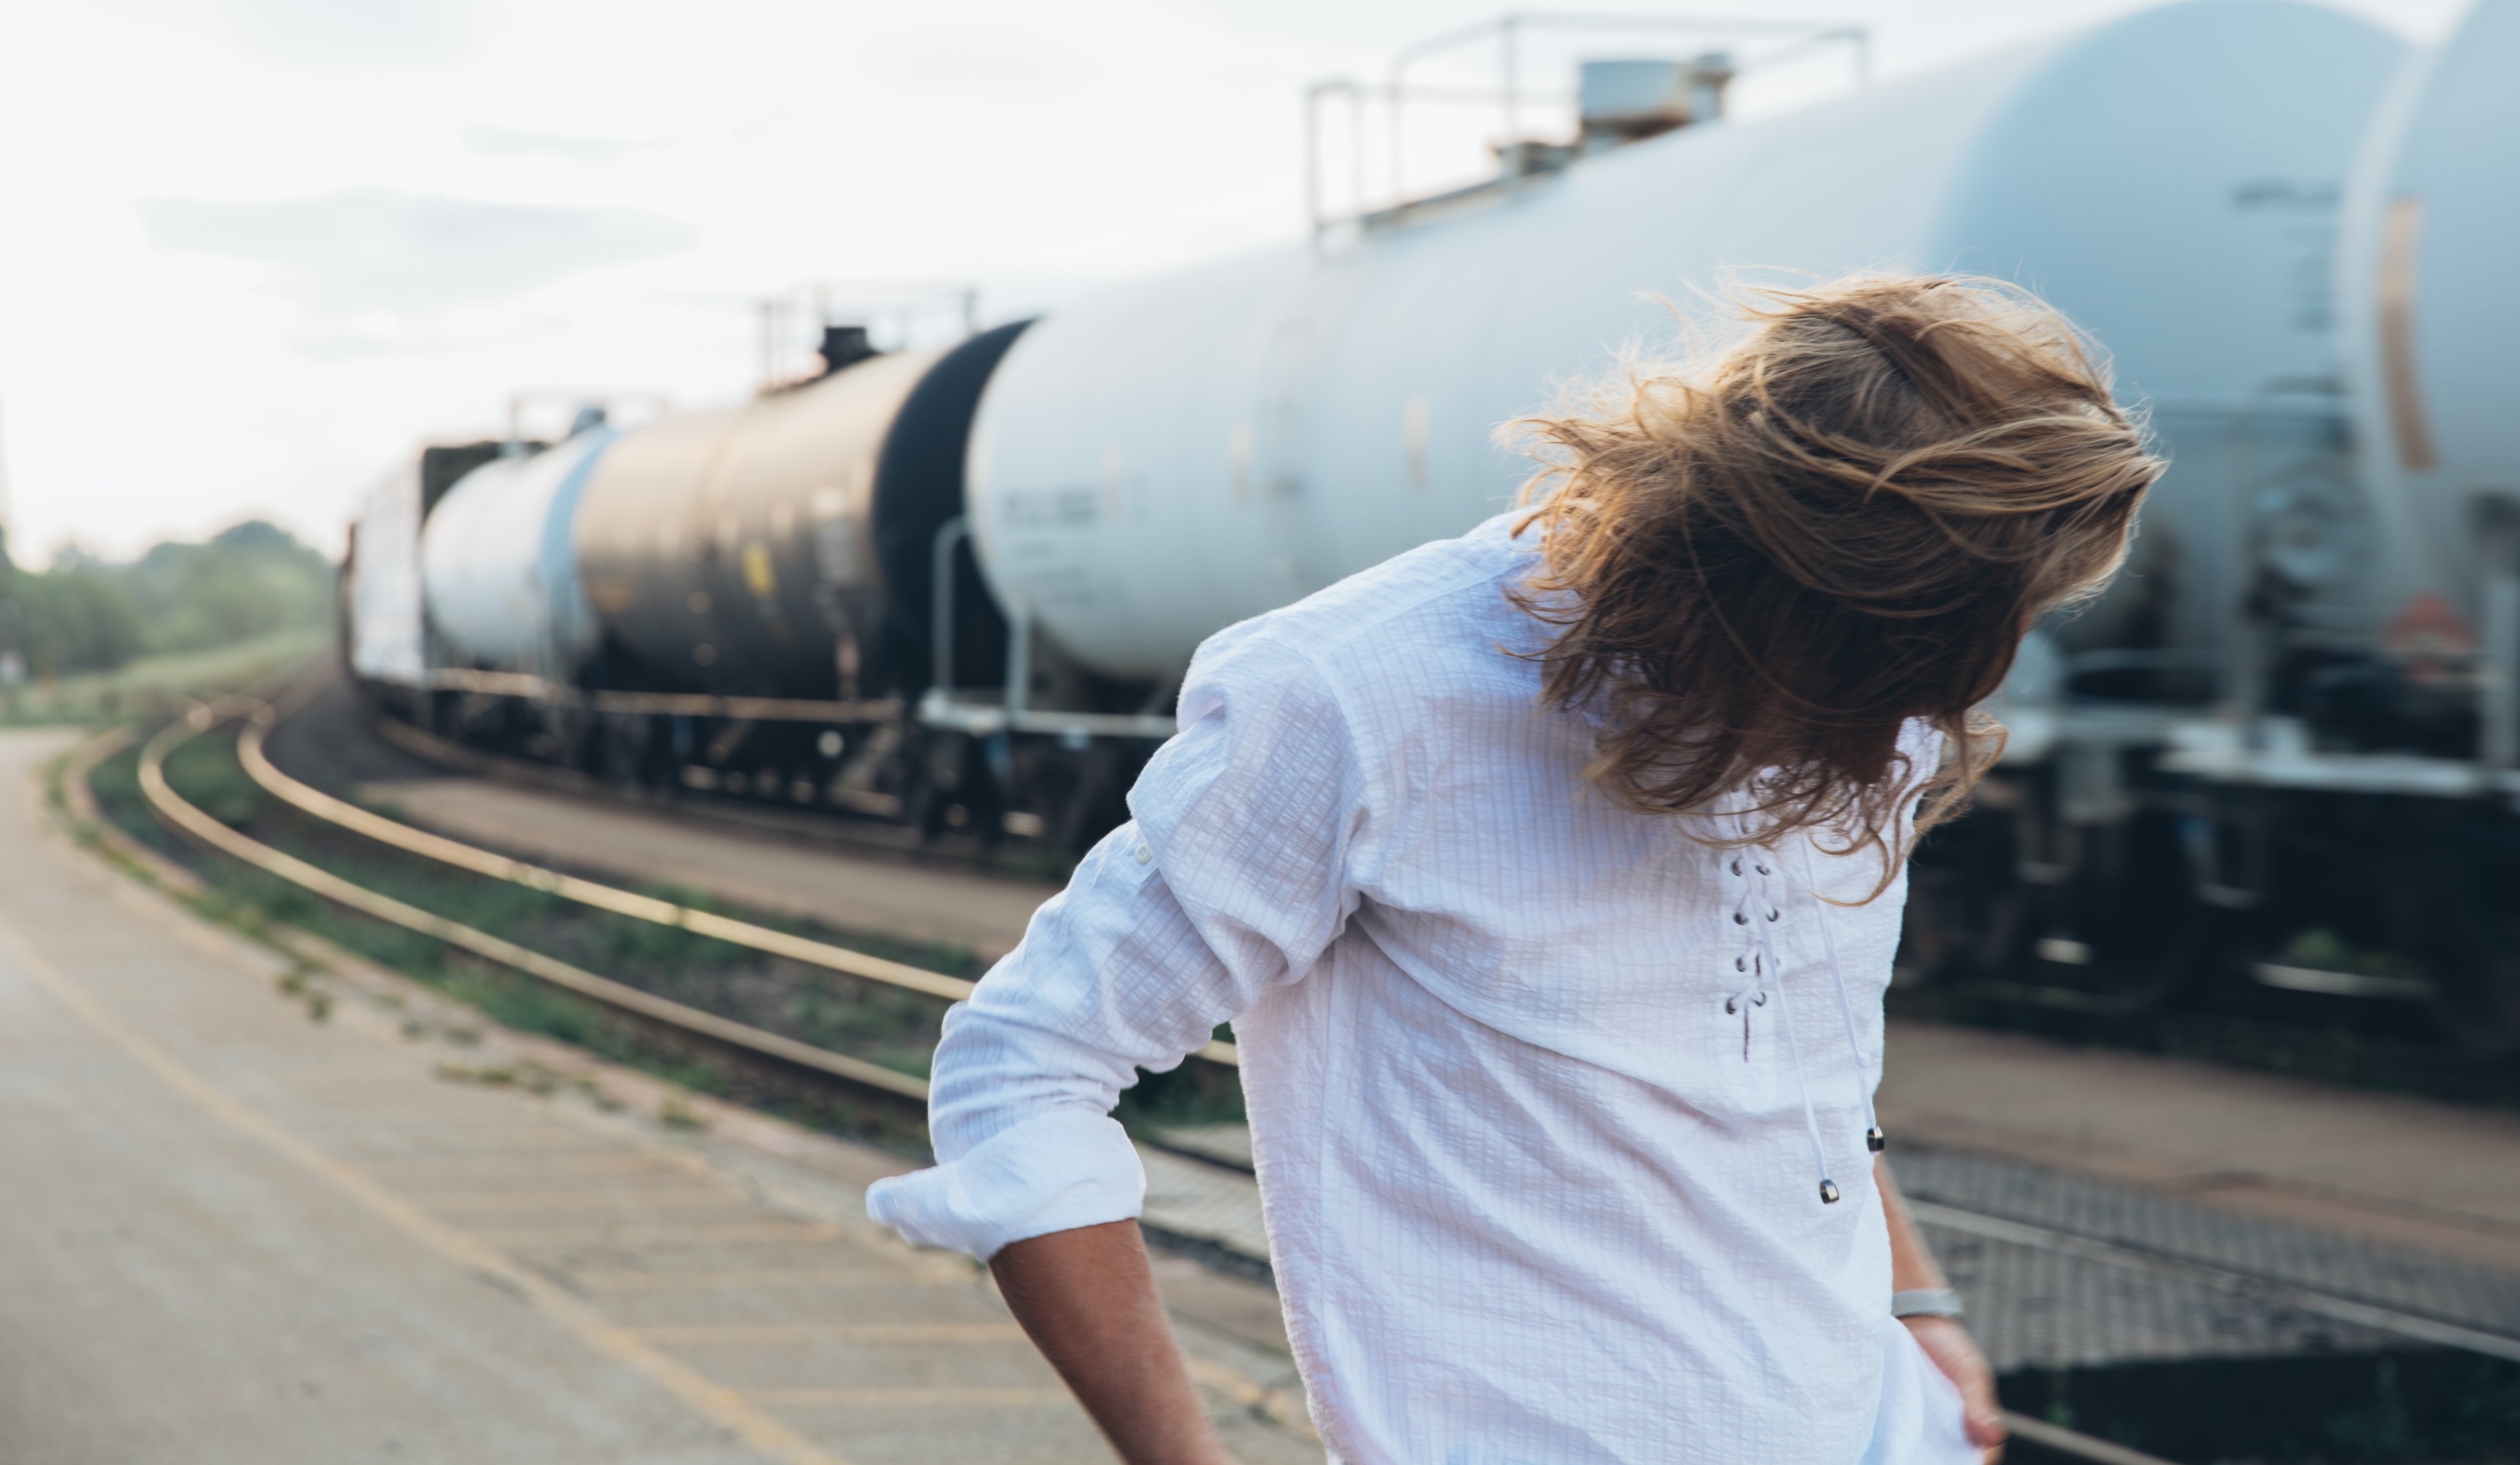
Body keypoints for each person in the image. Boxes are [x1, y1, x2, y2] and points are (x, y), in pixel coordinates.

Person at [869, 273, 2164, 1464]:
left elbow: (1798, 1061)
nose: (1924, 723)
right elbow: (1022, 1066)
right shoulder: (1366, 696)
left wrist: (1915, 1303)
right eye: (1897, 677)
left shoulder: (1871, 694)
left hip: (1877, 1428)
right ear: (1776, 600)